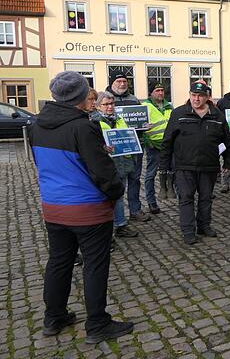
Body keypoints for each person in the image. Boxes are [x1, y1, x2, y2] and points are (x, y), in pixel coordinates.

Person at [31, 71, 134, 344]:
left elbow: (40, 162)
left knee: (59, 261)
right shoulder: (83, 127)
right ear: (78, 97)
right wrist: (114, 194)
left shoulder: (37, 124)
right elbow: (102, 171)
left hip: (53, 205)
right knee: (95, 265)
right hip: (87, 207)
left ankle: (54, 317)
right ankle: (97, 323)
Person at [160, 81, 230, 246]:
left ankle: (204, 225)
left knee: (206, 198)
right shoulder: (179, 113)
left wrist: (228, 161)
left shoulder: (217, 116)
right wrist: (163, 166)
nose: (196, 99)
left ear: (207, 97)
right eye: (193, 95)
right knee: (186, 198)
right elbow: (167, 141)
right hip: (184, 165)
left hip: (209, 165)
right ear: (189, 95)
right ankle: (188, 231)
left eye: (200, 96)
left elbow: (227, 141)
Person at [93, 91, 139, 239]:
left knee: (119, 196)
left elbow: (127, 139)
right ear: (98, 106)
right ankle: (107, 229)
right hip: (107, 166)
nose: (110, 107)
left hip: (122, 164)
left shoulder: (119, 119)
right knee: (106, 198)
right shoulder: (94, 122)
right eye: (106, 104)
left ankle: (120, 225)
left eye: (112, 103)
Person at [105, 68, 149, 223]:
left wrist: (145, 125)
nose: (122, 84)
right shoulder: (105, 99)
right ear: (112, 83)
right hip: (116, 149)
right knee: (118, 182)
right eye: (119, 81)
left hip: (134, 145)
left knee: (135, 178)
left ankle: (135, 210)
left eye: (124, 81)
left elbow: (140, 121)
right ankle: (117, 216)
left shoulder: (134, 99)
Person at [142, 84, 174, 210]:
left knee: (172, 170)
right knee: (151, 174)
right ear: (151, 93)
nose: (161, 93)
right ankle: (151, 202)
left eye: (162, 90)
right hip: (153, 146)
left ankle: (172, 192)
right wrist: (147, 140)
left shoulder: (169, 106)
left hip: (168, 145)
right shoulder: (145, 107)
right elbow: (139, 127)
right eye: (157, 90)